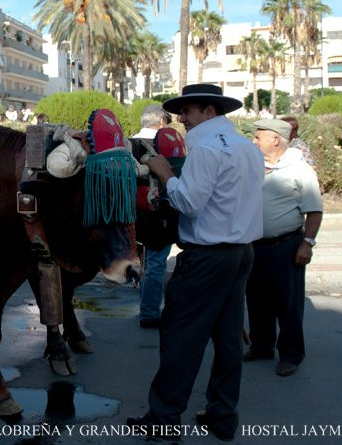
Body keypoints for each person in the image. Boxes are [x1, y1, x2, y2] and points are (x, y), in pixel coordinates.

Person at [127, 84, 263, 442]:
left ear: (209, 112)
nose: (182, 118)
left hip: (207, 256)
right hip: (241, 252)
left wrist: (163, 172)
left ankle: (164, 419)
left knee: (181, 338)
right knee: (228, 338)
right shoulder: (247, 148)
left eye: (188, 111)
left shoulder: (204, 149)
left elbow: (189, 203)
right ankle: (222, 415)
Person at [246, 119, 322, 377]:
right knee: (256, 300)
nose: (254, 141)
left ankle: (291, 355)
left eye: (258, 137)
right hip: (255, 245)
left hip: (286, 245)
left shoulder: (299, 169)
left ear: (275, 139)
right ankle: (261, 346)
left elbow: (314, 211)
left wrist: (307, 244)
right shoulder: (254, 166)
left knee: (287, 304)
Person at [132, 104, 174, 329]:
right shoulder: (164, 144)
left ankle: (145, 306)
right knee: (156, 264)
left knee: (141, 261)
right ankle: (149, 312)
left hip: (132, 213)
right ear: (161, 122)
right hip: (159, 212)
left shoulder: (127, 143)